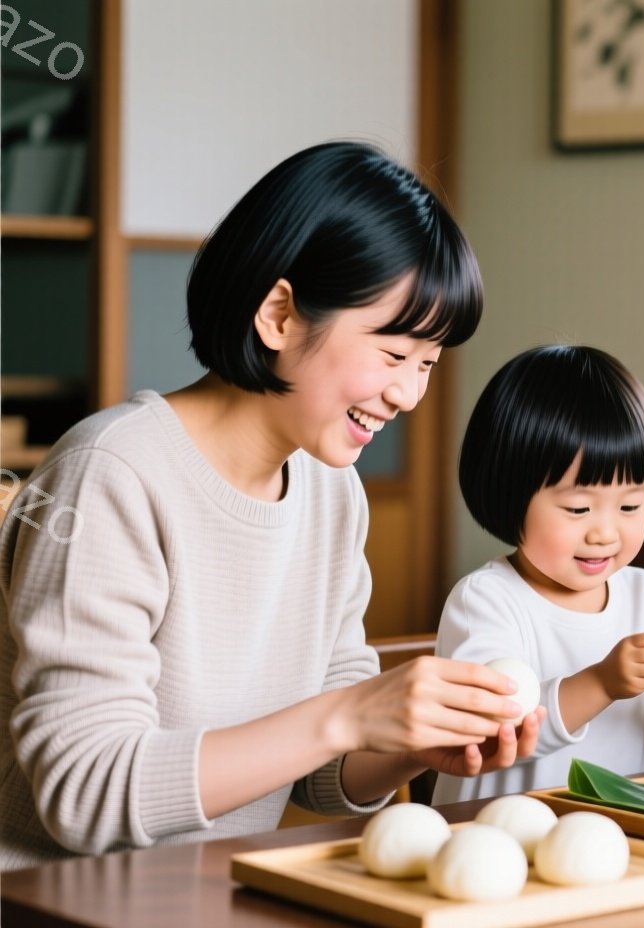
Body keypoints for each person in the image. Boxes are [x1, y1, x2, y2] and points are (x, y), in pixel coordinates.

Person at [0, 141, 544, 870]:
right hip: (58, 904)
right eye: (392, 355)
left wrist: (407, 745)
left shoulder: (330, 491)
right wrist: (350, 713)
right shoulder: (114, 474)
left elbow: (320, 777)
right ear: (280, 314)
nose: (409, 395)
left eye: (428, 364)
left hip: (216, 896)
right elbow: (83, 792)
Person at [432, 345, 644, 804]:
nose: (604, 532)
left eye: (629, 506)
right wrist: (601, 683)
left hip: (617, 848)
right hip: (493, 847)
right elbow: (492, 735)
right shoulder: (485, 600)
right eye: (578, 508)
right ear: (508, 493)